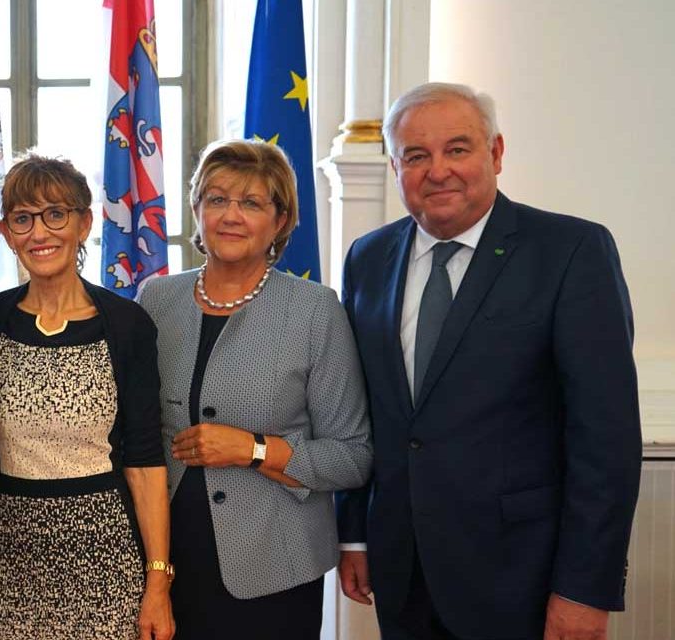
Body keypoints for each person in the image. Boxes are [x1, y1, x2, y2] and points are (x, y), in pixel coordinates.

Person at [335, 82, 642, 640]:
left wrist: (584, 588)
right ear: (395, 166)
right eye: (416, 156)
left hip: (523, 577)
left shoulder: (571, 253)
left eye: (458, 149)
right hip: (403, 570)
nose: (438, 171)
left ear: (496, 153)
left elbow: (606, 439)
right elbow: (362, 412)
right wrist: (355, 534)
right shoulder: (368, 258)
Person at [137, 139, 372, 639]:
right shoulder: (157, 298)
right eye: (217, 199)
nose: (231, 216)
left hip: (275, 568)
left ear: (280, 220)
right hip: (165, 561)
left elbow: (352, 456)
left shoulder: (314, 309)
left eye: (251, 203)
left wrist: (253, 449)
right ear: (197, 209)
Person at [0, 153, 173, 640]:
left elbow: (146, 461)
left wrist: (158, 583)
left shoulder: (126, 325)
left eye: (55, 214)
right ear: (6, 232)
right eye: (23, 219)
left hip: (107, 552)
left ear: (84, 224)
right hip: (14, 553)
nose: (39, 233)